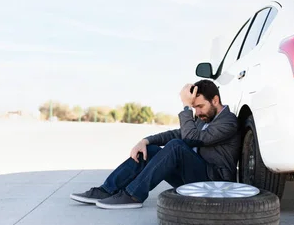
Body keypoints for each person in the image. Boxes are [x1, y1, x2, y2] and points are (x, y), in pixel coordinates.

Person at [70, 79, 241, 209]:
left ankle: (133, 196)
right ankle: (107, 189)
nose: (197, 112)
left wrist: (186, 107)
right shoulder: (205, 118)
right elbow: (179, 133)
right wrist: (145, 141)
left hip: (214, 183)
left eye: (199, 106)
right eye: (194, 107)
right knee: (150, 150)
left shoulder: (229, 122)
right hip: (194, 177)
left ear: (215, 100)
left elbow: (190, 139)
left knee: (176, 146)